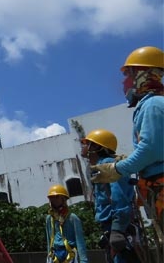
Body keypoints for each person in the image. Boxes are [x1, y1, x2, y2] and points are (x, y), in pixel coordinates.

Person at [91, 46, 164, 234]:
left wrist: (117, 169)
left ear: (143, 74)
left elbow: (150, 150)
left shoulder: (153, 104)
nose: (124, 82)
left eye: (128, 74)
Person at [82, 129, 137, 263]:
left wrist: (117, 229)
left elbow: (119, 198)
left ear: (97, 147)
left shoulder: (108, 166)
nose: (83, 147)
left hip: (117, 224)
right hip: (110, 225)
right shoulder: (100, 167)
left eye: (87, 144)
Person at [45, 184, 88, 263]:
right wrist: (48, 258)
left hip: (70, 254)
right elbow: (49, 239)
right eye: (51, 197)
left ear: (63, 198)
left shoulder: (72, 218)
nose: (54, 199)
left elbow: (80, 241)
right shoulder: (49, 219)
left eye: (57, 197)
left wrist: (83, 261)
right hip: (55, 254)